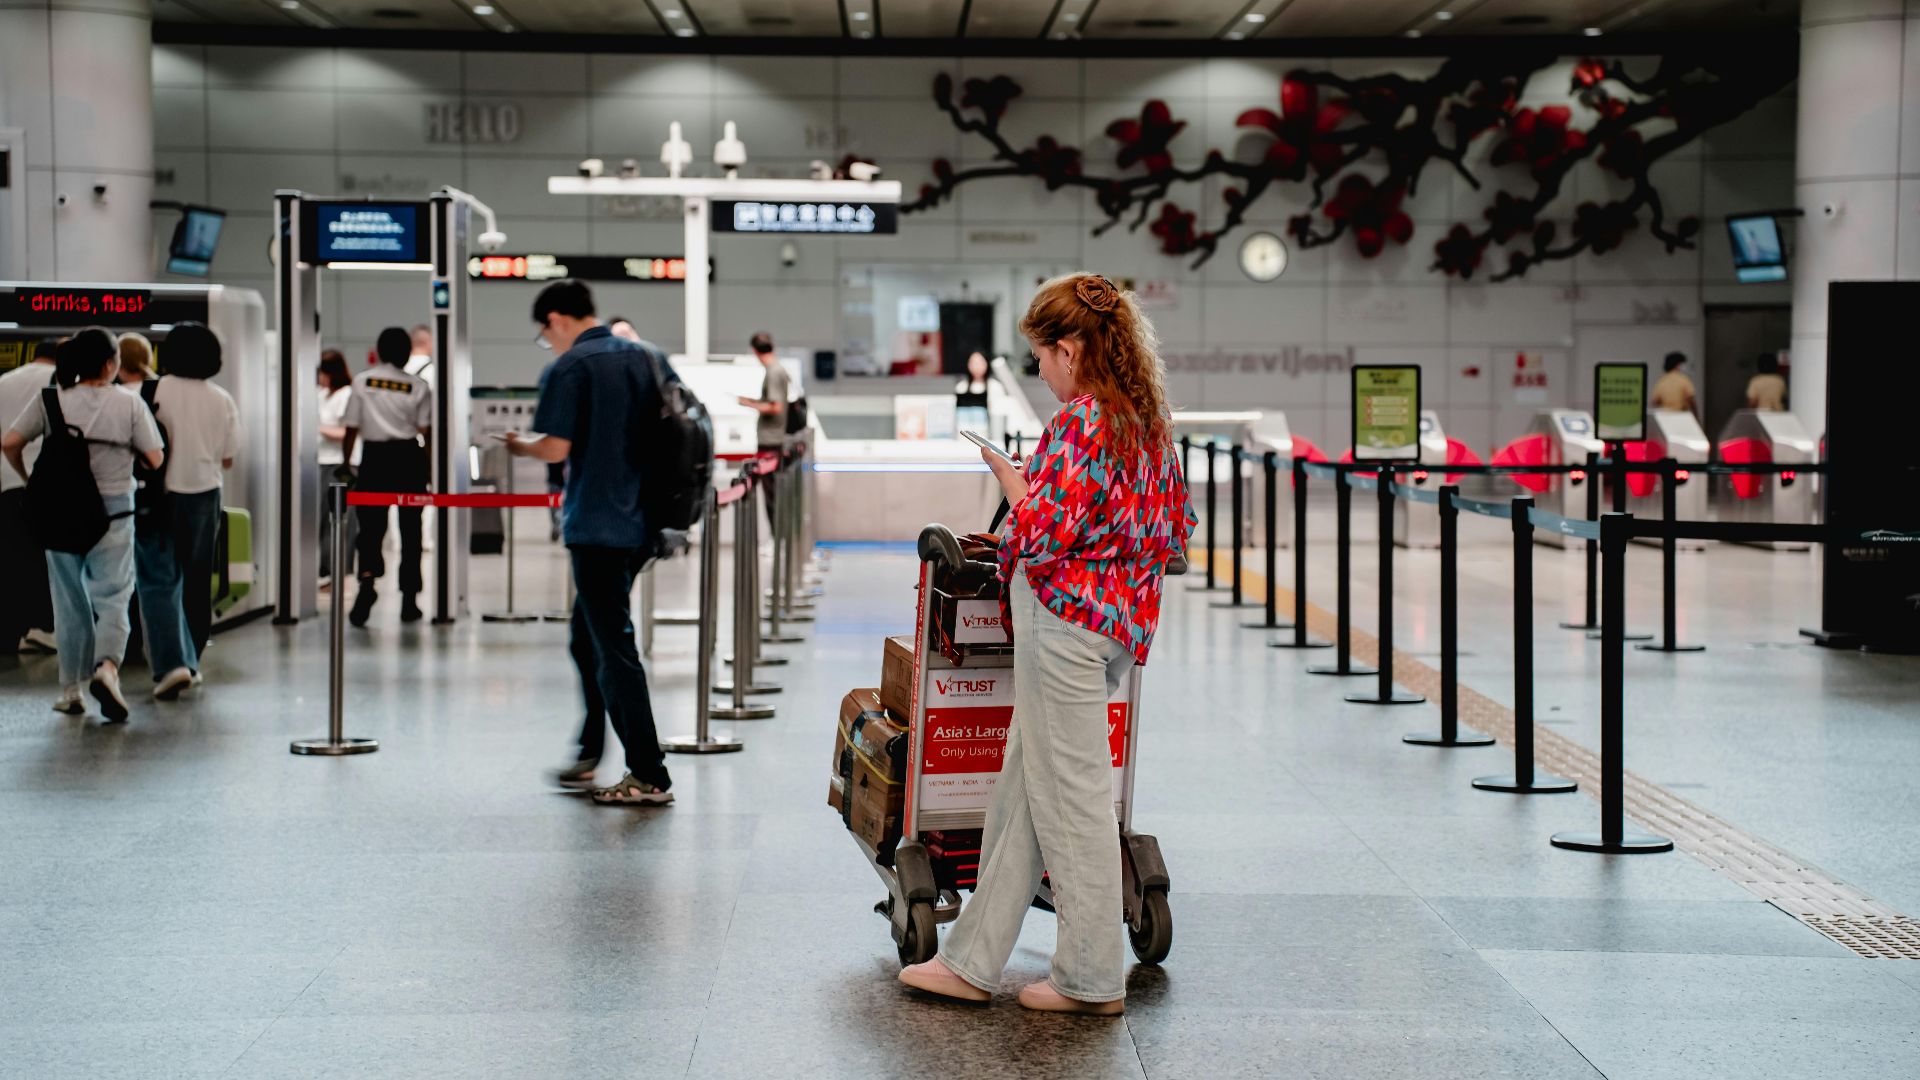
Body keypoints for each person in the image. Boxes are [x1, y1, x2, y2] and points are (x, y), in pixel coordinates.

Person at [899, 273, 1194, 1015]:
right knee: (1025, 796)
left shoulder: (1082, 422)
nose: (1039, 371)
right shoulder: (1148, 419)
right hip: (1117, 625)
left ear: (1071, 348)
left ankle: (1090, 978)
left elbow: (1039, 535)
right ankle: (969, 960)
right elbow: (1174, 529)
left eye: (1042, 356)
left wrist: (1015, 482)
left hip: (1063, 626)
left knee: (1073, 803)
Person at [503, 279, 674, 806]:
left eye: (544, 334)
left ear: (556, 318)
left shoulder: (571, 366)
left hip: (597, 526)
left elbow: (555, 449)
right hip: (642, 523)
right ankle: (589, 748)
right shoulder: (647, 357)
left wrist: (518, 445)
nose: (548, 343)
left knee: (614, 648)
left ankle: (648, 774)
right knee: (588, 637)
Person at [3, 329, 165, 722]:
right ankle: (107, 669)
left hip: (58, 512)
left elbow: (10, 441)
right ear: (111, 364)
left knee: (68, 600)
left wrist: (28, 479)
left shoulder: (52, 399)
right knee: (112, 596)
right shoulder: (129, 404)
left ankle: (71, 691)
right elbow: (156, 458)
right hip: (114, 512)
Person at [134, 322, 241, 695]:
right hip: (205, 494)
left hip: (157, 494)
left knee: (158, 579)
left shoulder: (149, 390)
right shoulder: (222, 399)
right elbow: (228, 458)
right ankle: (191, 662)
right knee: (197, 580)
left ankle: (171, 664)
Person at [342, 327, 433, 626]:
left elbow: (351, 427)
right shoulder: (418, 385)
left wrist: (346, 462)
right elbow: (425, 430)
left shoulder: (362, 381)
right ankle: (409, 600)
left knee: (369, 529)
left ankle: (367, 583)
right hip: (409, 458)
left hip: (375, 460)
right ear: (406, 353)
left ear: (379, 351)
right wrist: (431, 468)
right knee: (411, 531)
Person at [0, 339, 60, 654]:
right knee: (49, 559)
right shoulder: (62, 383)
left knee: (11, 559)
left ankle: (9, 632)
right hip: (51, 483)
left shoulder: (4, 381)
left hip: (9, 481)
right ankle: (44, 626)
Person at [737, 331, 790, 526]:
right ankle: (778, 538)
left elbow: (776, 406)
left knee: (771, 494)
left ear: (754, 351)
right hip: (773, 438)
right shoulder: (777, 370)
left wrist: (749, 404)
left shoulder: (774, 372)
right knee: (772, 492)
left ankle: (777, 539)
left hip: (771, 440)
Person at [316, 349, 358, 581]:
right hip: (320, 462)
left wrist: (318, 428)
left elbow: (346, 432)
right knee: (323, 518)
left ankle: (338, 570)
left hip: (340, 463)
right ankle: (324, 569)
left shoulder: (346, 395)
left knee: (341, 518)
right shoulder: (322, 394)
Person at [1650, 351, 1697, 417]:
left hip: (1665, 418)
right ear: (1678, 365)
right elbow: (1691, 400)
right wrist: (1696, 417)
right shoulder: (1684, 380)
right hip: (1681, 417)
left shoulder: (1661, 381)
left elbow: (1655, 403)